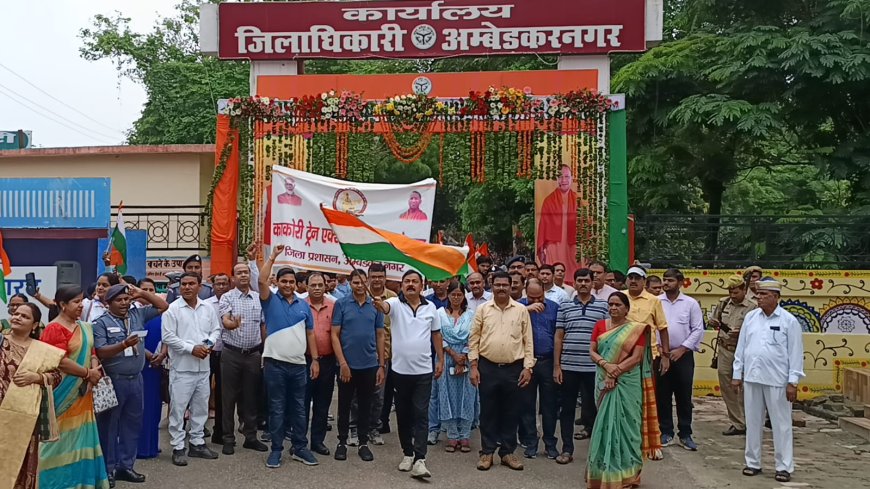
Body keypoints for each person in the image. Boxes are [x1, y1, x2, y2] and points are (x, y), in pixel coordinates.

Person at [93, 284, 168, 485]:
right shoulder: (100, 323)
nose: (124, 303)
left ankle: (125, 466)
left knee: (132, 424)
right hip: (114, 379)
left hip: (136, 379)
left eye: (127, 299)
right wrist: (123, 345)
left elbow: (163, 306)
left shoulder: (137, 315)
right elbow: (100, 351)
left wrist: (142, 293)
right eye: (119, 300)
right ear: (108, 303)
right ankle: (107, 470)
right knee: (109, 427)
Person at [586, 291, 662, 489]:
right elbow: (592, 351)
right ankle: (602, 473)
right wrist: (606, 366)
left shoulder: (637, 329)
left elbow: (636, 358)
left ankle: (628, 475)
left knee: (628, 426)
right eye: (610, 304)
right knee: (605, 425)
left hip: (627, 382)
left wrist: (615, 372)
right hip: (603, 378)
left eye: (618, 305)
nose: (613, 308)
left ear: (627, 308)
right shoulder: (600, 326)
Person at [732, 279, 804, 483]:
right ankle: (753, 462)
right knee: (753, 422)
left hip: (778, 380)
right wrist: (737, 374)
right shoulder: (751, 318)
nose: (759, 298)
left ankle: (784, 466)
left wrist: (793, 382)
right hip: (753, 378)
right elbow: (742, 347)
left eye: (763, 294)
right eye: (758, 294)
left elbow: (796, 353)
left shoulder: (789, 321)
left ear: (775, 296)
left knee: (781, 424)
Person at [374, 270, 444, 479]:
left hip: (423, 371)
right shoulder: (394, 303)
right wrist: (379, 303)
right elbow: (384, 307)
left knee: (421, 414)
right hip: (399, 372)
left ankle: (420, 459)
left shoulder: (431, 308)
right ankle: (407, 453)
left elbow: (436, 335)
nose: (411, 284)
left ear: (422, 286)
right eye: (407, 281)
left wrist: (440, 359)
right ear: (402, 285)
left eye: (415, 281)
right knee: (403, 415)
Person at [39, 285, 110, 489]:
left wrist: (94, 373)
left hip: (84, 393)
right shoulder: (54, 328)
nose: (81, 305)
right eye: (76, 302)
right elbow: (59, 361)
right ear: (62, 305)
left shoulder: (85, 327)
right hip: (63, 394)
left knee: (81, 439)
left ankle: (81, 482)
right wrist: (88, 374)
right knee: (56, 443)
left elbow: (93, 353)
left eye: (82, 301)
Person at [258, 246, 320, 468]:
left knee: (300, 408)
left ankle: (300, 447)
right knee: (276, 408)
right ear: (278, 282)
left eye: (291, 282)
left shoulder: (304, 306)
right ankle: (276, 450)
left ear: (296, 284)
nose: (287, 285)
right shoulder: (270, 300)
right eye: (283, 281)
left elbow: (311, 334)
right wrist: (273, 257)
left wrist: (315, 360)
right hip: (275, 365)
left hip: (298, 366)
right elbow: (262, 281)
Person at [469, 271, 534, 471]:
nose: (501, 288)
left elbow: (528, 340)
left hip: (514, 368)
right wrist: (473, 366)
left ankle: (507, 452)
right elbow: (474, 339)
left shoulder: (521, 310)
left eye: (506, 285)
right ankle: (487, 452)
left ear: (511, 286)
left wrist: (528, 367)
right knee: (488, 411)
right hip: (487, 367)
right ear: (492, 285)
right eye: (497, 285)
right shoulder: (483, 309)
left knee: (511, 411)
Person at [0, 302, 64, 489]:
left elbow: (57, 375)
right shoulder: (1, 341)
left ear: (35, 325)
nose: (18, 317)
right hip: (2, 413)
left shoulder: (42, 350)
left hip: (26, 418)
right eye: (17, 314)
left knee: (22, 462)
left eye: (25, 316)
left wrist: (36, 377)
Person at [161, 273, 221, 467]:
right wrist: (191, 348)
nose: (186, 287)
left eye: (191, 284)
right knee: (178, 409)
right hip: (182, 369)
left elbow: (216, 330)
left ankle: (197, 443)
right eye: (183, 284)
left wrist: (208, 344)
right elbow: (168, 337)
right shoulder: (172, 309)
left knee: (201, 408)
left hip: (203, 367)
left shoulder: (208, 308)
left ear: (199, 287)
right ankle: (178, 447)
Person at [553, 268, 609, 463]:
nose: (583, 284)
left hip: (595, 368)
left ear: (592, 283)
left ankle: (598, 452)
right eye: (580, 280)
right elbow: (559, 337)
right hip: (569, 367)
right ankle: (567, 449)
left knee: (597, 408)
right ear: (574, 283)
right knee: (567, 409)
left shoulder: (603, 307)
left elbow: (607, 337)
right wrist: (556, 366)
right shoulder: (565, 306)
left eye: (587, 280)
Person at [331, 269, 385, 462]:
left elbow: (380, 335)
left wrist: (381, 365)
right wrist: (343, 363)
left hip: (369, 365)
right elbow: (334, 335)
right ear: (350, 284)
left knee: (365, 405)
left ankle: (363, 442)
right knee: (344, 405)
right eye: (355, 282)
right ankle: (342, 442)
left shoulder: (375, 305)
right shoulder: (342, 304)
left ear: (368, 282)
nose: (359, 285)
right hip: (347, 365)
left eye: (363, 282)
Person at [218, 262, 269, 455]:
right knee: (229, 398)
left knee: (251, 397)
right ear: (233, 278)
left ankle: (250, 437)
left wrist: (265, 351)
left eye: (246, 272)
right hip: (231, 353)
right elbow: (226, 321)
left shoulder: (258, 298)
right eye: (238, 273)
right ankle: (228, 438)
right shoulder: (227, 297)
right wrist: (233, 324)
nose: (243, 276)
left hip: (253, 354)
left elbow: (263, 326)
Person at [656, 268, 704, 451]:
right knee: (663, 394)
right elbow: (652, 327)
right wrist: (661, 349)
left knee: (684, 396)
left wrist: (682, 349)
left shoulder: (690, 303)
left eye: (669, 280)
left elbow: (697, 329)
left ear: (680, 282)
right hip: (661, 355)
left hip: (683, 356)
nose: (665, 283)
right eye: (664, 280)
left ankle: (685, 433)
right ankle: (666, 431)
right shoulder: (656, 302)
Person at [351, 263, 396, 446]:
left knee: (378, 396)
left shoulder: (393, 298)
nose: (377, 280)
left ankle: (374, 428)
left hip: (384, 355)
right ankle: (354, 428)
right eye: (374, 276)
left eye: (380, 276)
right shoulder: (361, 297)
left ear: (385, 278)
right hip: (361, 355)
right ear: (368, 277)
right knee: (356, 396)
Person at [518, 280, 560, 460]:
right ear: (525, 293)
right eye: (532, 297)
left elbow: (559, 335)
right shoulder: (518, 307)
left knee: (549, 405)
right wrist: (526, 309)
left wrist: (558, 365)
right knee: (526, 404)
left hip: (548, 360)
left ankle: (550, 443)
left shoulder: (555, 307)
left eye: (540, 297)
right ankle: (530, 442)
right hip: (526, 362)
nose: (536, 301)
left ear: (545, 292)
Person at [708, 275, 756, 436]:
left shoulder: (752, 307)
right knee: (727, 386)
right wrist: (714, 323)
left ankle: (750, 421)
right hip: (724, 349)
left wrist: (742, 332)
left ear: (743, 290)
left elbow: (757, 330)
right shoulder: (724, 303)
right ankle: (738, 423)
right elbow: (714, 320)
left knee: (744, 387)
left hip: (743, 351)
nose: (732, 295)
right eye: (730, 292)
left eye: (735, 292)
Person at [434, 282, 478, 455]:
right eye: (453, 294)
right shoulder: (439, 314)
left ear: (464, 296)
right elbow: (437, 335)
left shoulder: (472, 315)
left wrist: (464, 357)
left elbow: (474, 337)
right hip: (445, 356)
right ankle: (452, 434)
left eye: (460, 294)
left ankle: (465, 435)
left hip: (467, 358)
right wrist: (453, 354)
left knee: (467, 395)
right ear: (448, 295)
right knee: (447, 395)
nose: (456, 298)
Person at [304, 272, 336, 456]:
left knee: (322, 403)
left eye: (320, 285)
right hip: (305, 360)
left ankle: (318, 441)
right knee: (302, 402)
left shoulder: (334, 306)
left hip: (328, 361)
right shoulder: (300, 305)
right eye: (313, 285)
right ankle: (299, 440)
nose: (316, 288)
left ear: (325, 286)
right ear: (307, 286)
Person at [136, 279, 166, 459]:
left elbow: (169, 335)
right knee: (140, 408)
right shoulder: (133, 312)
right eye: (144, 289)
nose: (147, 292)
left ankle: (151, 446)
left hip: (156, 366)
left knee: (153, 407)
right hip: (140, 366)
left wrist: (161, 355)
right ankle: (139, 447)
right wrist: (148, 355)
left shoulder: (160, 313)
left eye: (151, 289)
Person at [203, 273, 231, 445]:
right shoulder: (206, 305)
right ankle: (198, 427)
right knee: (202, 391)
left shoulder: (233, 302)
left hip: (227, 352)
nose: (221, 286)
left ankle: (220, 431)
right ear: (212, 286)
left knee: (223, 393)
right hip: (208, 352)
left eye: (224, 283)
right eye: (218, 283)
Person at [537, 165, 578, 281]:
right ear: (557, 179)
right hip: (554, 244)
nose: (564, 180)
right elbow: (543, 227)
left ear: (572, 178)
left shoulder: (578, 200)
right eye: (560, 177)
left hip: (572, 244)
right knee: (554, 272)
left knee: (574, 272)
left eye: (567, 176)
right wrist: (542, 247)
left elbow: (585, 227)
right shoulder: (549, 200)